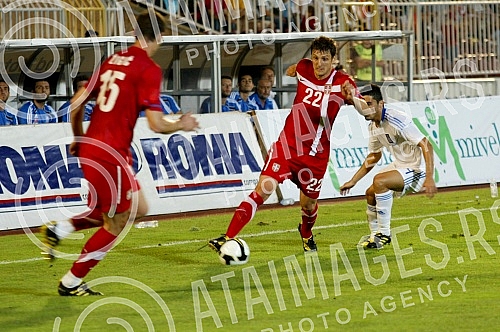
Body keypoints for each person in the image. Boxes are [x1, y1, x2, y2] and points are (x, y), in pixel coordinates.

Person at [41, 11, 199, 296]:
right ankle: (71, 281)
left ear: (134, 33)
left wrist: (78, 136)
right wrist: (181, 124)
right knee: (116, 222)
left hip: (98, 147)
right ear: (160, 37)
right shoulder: (148, 69)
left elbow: (76, 102)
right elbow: (157, 124)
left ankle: (61, 229)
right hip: (110, 152)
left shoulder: (112, 59)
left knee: (139, 209)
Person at [208, 36, 370, 253]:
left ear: (334, 60)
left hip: (314, 157)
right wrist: (292, 70)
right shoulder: (304, 68)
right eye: (315, 58)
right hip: (287, 148)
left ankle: (306, 233)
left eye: (324, 59)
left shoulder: (343, 82)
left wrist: (354, 97)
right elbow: (293, 70)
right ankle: (227, 237)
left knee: (308, 204)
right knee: (263, 189)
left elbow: (365, 110)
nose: (319, 63)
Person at [339, 84, 437, 249]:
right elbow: (374, 156)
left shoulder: (396, 119)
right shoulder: (373, 127)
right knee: (370, 193)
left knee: (380, 181)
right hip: (400, 166)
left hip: (416, 169)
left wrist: (429, 177)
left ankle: (384, 234)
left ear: (381, 104)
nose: (366, 108)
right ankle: (374, 238)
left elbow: (426, 144)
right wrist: (353, 180)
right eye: (364, 104)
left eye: (369, 104)